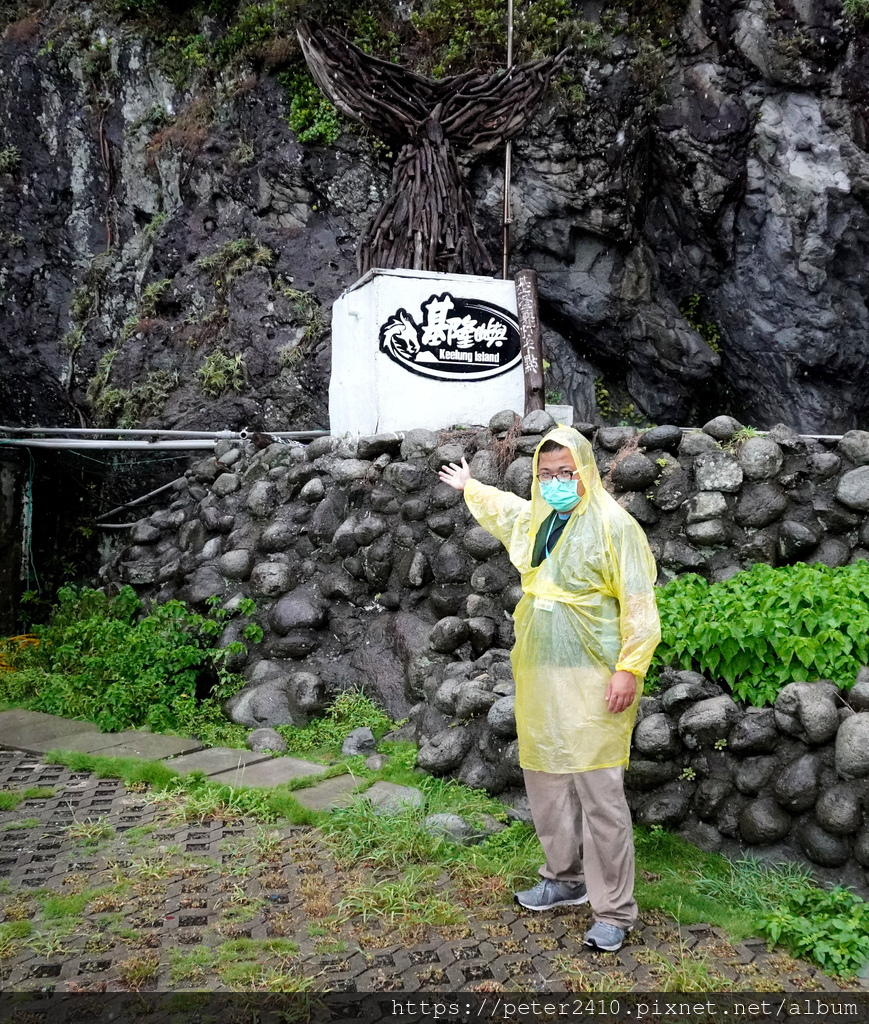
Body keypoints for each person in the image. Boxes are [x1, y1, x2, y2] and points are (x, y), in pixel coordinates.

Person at [438, 424, 661, 952]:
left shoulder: (614, 525)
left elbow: (638, 602)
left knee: (599, 789)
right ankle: (563, 878)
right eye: (546, 473)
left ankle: (615, 910)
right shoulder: (544, 516)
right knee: (545, 776)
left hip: (595, 671)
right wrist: (472, 486)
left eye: (566, 473)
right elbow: (509, 512)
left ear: (585, 472)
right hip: (541, 668)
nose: (555, 482)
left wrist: (629, 668)